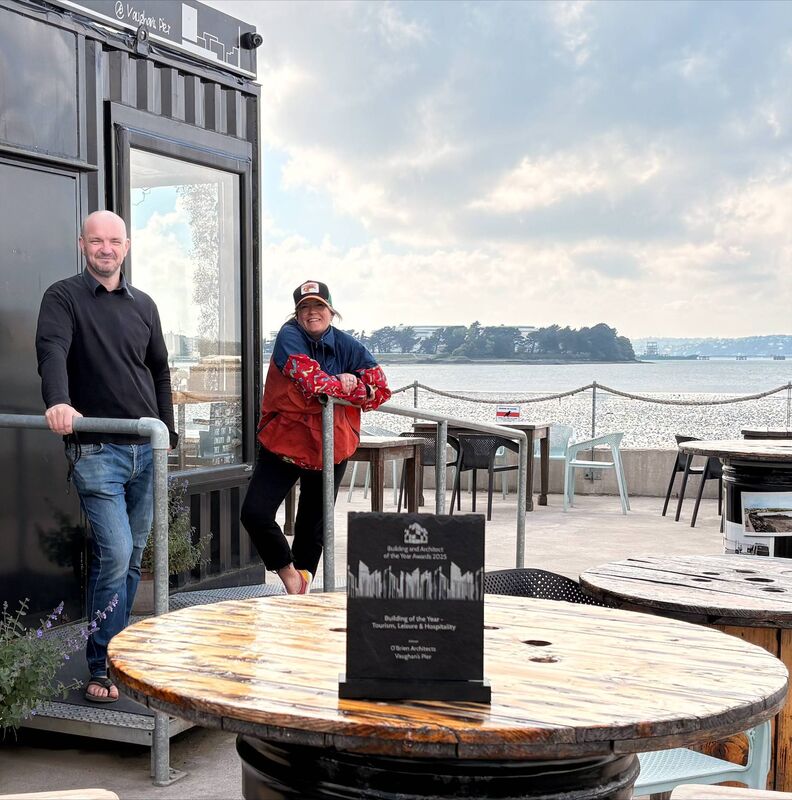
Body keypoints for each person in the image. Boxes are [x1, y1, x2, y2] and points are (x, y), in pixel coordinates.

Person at [35, 210, 177, 703]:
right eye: (97, 241)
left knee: (131, 557)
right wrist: (58, 400)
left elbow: (159, 370)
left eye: (114, 241)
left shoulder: (144, 304)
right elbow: (51, 349)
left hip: (146, 451)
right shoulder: (63, 297)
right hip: (97, 448)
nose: (106, 248)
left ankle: (117, 656)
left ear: (127, 246)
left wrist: (168, 430)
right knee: (115, 553)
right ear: (82, 245)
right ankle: (103, 666)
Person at [241, 280, 391, 594]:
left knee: (313, 528)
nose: (312, 313)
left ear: (331, 311)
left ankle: (301, 588)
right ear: (296, 315)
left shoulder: (349, 344)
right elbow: (311, 381)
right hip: (285, 444)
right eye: (304, 308)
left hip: (329, 447)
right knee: (255, 513)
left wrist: (355, 387)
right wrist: (343, 384)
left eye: (318, 306)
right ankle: (288, 574)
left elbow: (381, 390)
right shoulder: (289, 335)